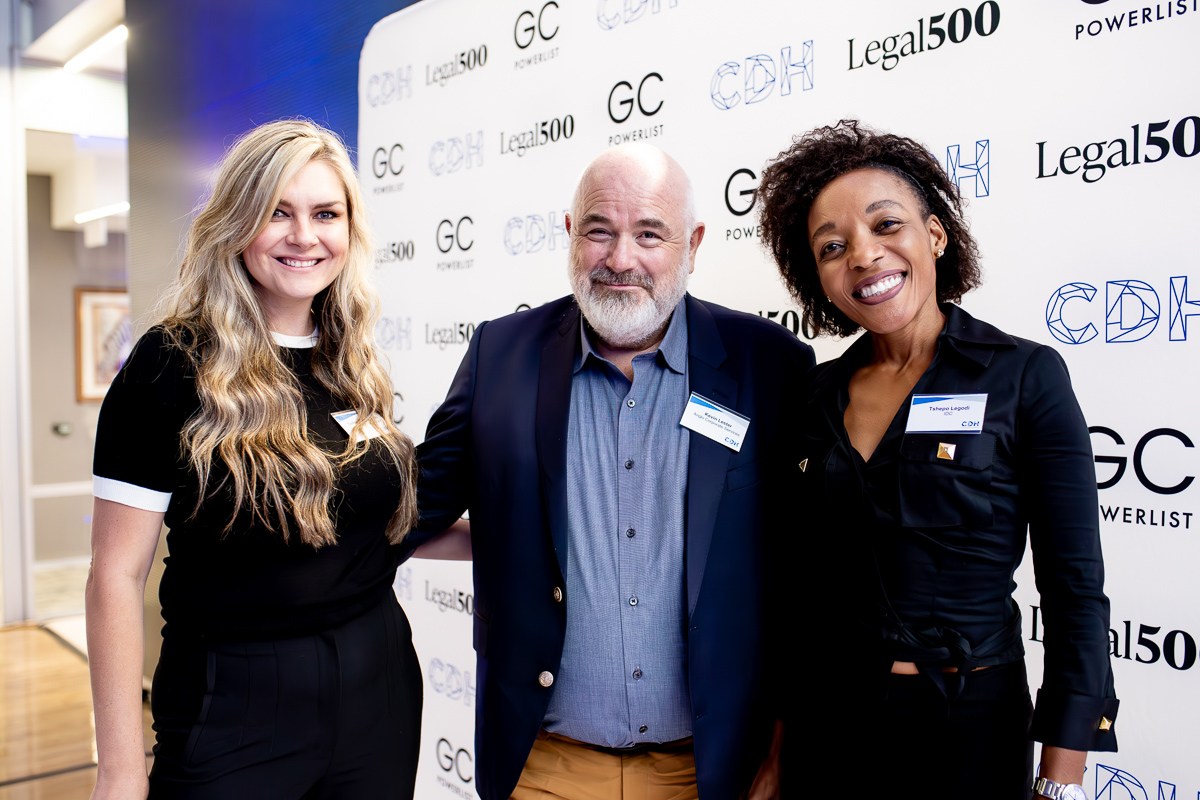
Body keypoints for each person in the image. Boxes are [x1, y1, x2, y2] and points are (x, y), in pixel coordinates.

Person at [406, 142, 814, 800]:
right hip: (544, 768)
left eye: (649, 234)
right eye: (600, 231)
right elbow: (411, 509)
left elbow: (804, 570)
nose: (621, 259)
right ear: (571, 233)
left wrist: (781, 748)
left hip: (712, 771)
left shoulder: (767, 365)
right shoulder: (500, 356)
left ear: (693, 243)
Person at [756, 119, 1118, 799]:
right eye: (833, 246)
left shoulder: (1024, 376)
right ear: (818, 278)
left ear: (936, 235)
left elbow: (1074, 590)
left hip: (969, 728)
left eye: (885, 225)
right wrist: (775, 755)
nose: (863, 255)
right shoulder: (812, 396)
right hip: (826, 726)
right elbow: (797, 596)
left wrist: (1061, 780)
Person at [85, 119, 422, 799]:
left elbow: (363, 525)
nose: (304, 236)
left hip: (378, 686)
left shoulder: (352, 360)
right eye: (278, 212)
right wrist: (119, 769)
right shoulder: (170, 363)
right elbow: (115, 575)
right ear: (237, 224)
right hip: (236, 702)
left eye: (325, 214)